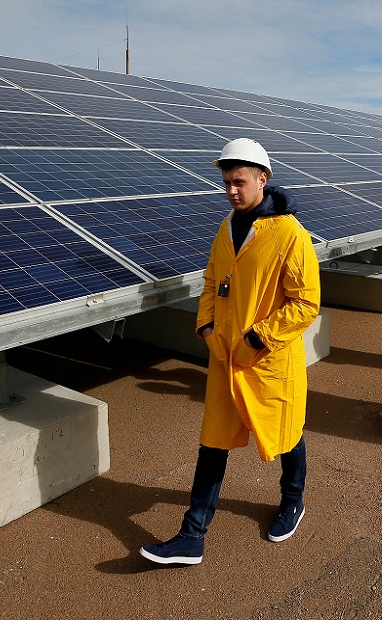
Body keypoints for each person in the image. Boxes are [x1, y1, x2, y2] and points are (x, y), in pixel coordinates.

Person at [140, 138, 321, 565]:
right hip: (224, 357)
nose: (231, 191)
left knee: (286, 434)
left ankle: (292, 501)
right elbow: (211, 279)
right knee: (213, 441)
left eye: (239, 182)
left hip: (269, 360)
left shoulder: (290, 234)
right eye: (226, 183)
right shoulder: (227, 226)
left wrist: (259, 337)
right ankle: (193, 533)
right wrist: (206, 322)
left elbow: (306, 302)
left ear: (263, 179)